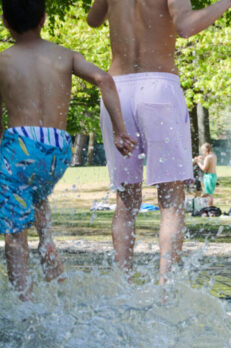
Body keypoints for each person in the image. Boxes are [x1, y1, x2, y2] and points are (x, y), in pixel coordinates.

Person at [87, 0, 231, 279]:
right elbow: (185, 26)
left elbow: (93, 20)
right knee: (170, 199)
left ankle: (122, 284)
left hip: (117, 89)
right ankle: (165, 290)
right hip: (158, 87)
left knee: (126, 200)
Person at [0, 0, 133, 300]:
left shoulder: (3, 61)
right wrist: (120, 131)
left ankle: (26, 308)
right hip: (57, 149)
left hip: (19, 147)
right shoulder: (64, 56)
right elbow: (104, 79)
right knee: (37, 198)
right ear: (45, 19)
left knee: (14, 234)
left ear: (5, 23)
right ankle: (48, 248)